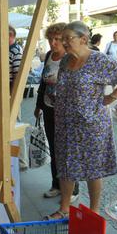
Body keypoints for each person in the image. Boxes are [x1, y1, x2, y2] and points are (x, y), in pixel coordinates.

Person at [45, 21, 117, 220]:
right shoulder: (66, 60)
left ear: (84, 39)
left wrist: (112, 97)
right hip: (66, 122)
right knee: (65, 166)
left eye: (67, 39)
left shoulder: (98, 60)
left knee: (93, 168)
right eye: (62, 39)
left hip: (92, 124)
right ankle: (64, 208)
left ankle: (94, 210)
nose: (64, 42)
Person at [35, 23, 79, 200]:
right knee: (53, 148)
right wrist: (38, 105)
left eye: (58, 39)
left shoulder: (71, 58)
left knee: (68, 150)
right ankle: (56, 184)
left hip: (67, 112)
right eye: (50, 39)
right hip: (49, 108)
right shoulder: (48, 56)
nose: (53, 43)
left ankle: (73, 189)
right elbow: (43, 83)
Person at [8, 26, 29, 170]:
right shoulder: (8, 49)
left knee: (15, 123)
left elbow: (17, 75)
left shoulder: (15, 50)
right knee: (11, 123)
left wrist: (13, 95)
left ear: (11, 35)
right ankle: (15, 157)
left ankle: (22, 161)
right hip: (8, 92)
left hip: (11, 93)